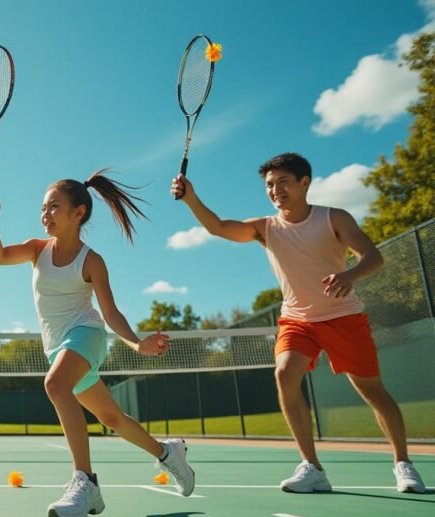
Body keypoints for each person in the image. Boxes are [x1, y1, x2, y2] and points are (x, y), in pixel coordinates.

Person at [172, 152, 426, 494]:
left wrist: (349, 275)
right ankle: (312, 467)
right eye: (269, 185)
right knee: (284, 374)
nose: (275, 190)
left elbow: (373, 257)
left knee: (373, 392)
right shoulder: (265, 228)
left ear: (304, 183)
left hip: (343, 317)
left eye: (283, 182)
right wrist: (191, 198)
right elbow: (218, 227)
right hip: (297, 321)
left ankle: (403, 464)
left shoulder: (334, 218)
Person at [0, 170, 195, 517]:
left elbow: (110, 313)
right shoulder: (37, 250)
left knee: (55, 385)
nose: (45, 214)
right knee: (111, 417)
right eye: (43, 208)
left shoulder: (91, 261)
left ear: (78, 212)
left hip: (87, 334)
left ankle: (86, 481)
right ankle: (168, 453)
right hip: (57, 346)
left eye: (54, 206)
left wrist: (136, 343)